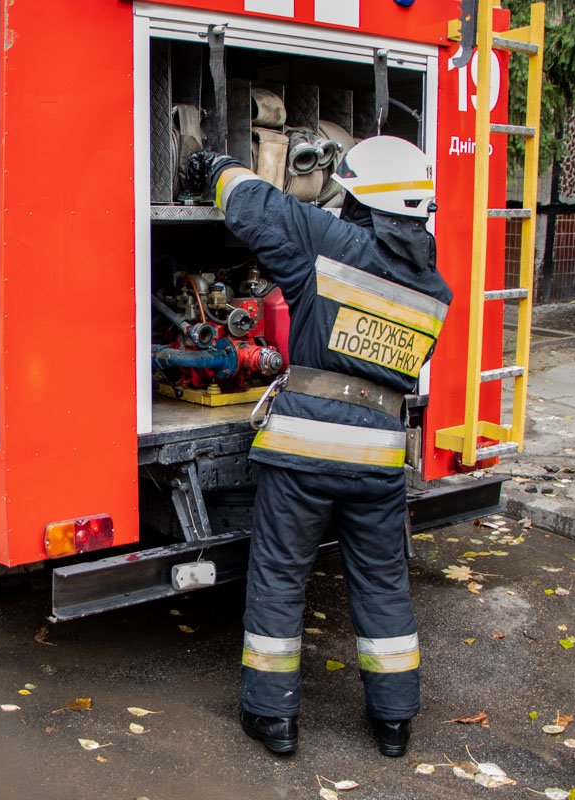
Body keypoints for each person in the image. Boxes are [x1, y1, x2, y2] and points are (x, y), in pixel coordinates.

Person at [184, 136, 452, 758]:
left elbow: (256, 205)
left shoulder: (330, 242)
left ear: (362, 199)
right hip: (379, 463)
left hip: (304, 452)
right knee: (383, 583)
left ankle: (272, 718)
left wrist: (215, 167)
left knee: (280, 578)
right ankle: (394, 722)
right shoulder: (436, 290)